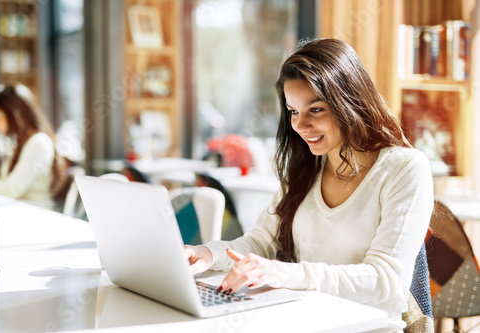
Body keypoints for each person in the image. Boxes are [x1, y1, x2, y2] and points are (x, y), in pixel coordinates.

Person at [185, 38, 434, 331]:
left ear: (350, 102)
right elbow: (260, 242)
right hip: (304, 320)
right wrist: (206, 254)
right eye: (293, 111)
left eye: (315, 110)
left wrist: (283, 273)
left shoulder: (404, 168)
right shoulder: (307, 169)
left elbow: (386, 281)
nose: (300, 125)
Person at [0, 84, 65, 210]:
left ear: (15, 113)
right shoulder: (20, 143)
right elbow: (7, 184)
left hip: (36, 215)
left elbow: (13, 189)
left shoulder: (39, 143)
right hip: (20, 210)